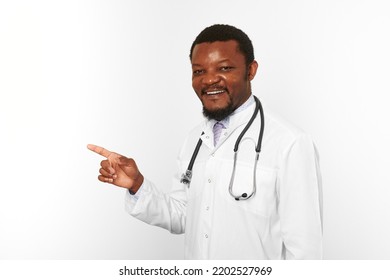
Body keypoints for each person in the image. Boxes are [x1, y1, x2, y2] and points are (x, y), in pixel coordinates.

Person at [88, 24, 323, 259]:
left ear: (250, 71)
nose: (209, 80)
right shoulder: (195, 140)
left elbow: (305, 253)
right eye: (199, 71)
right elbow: (183, 216)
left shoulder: (290, 143)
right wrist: (137, 185)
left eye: (224, 68)